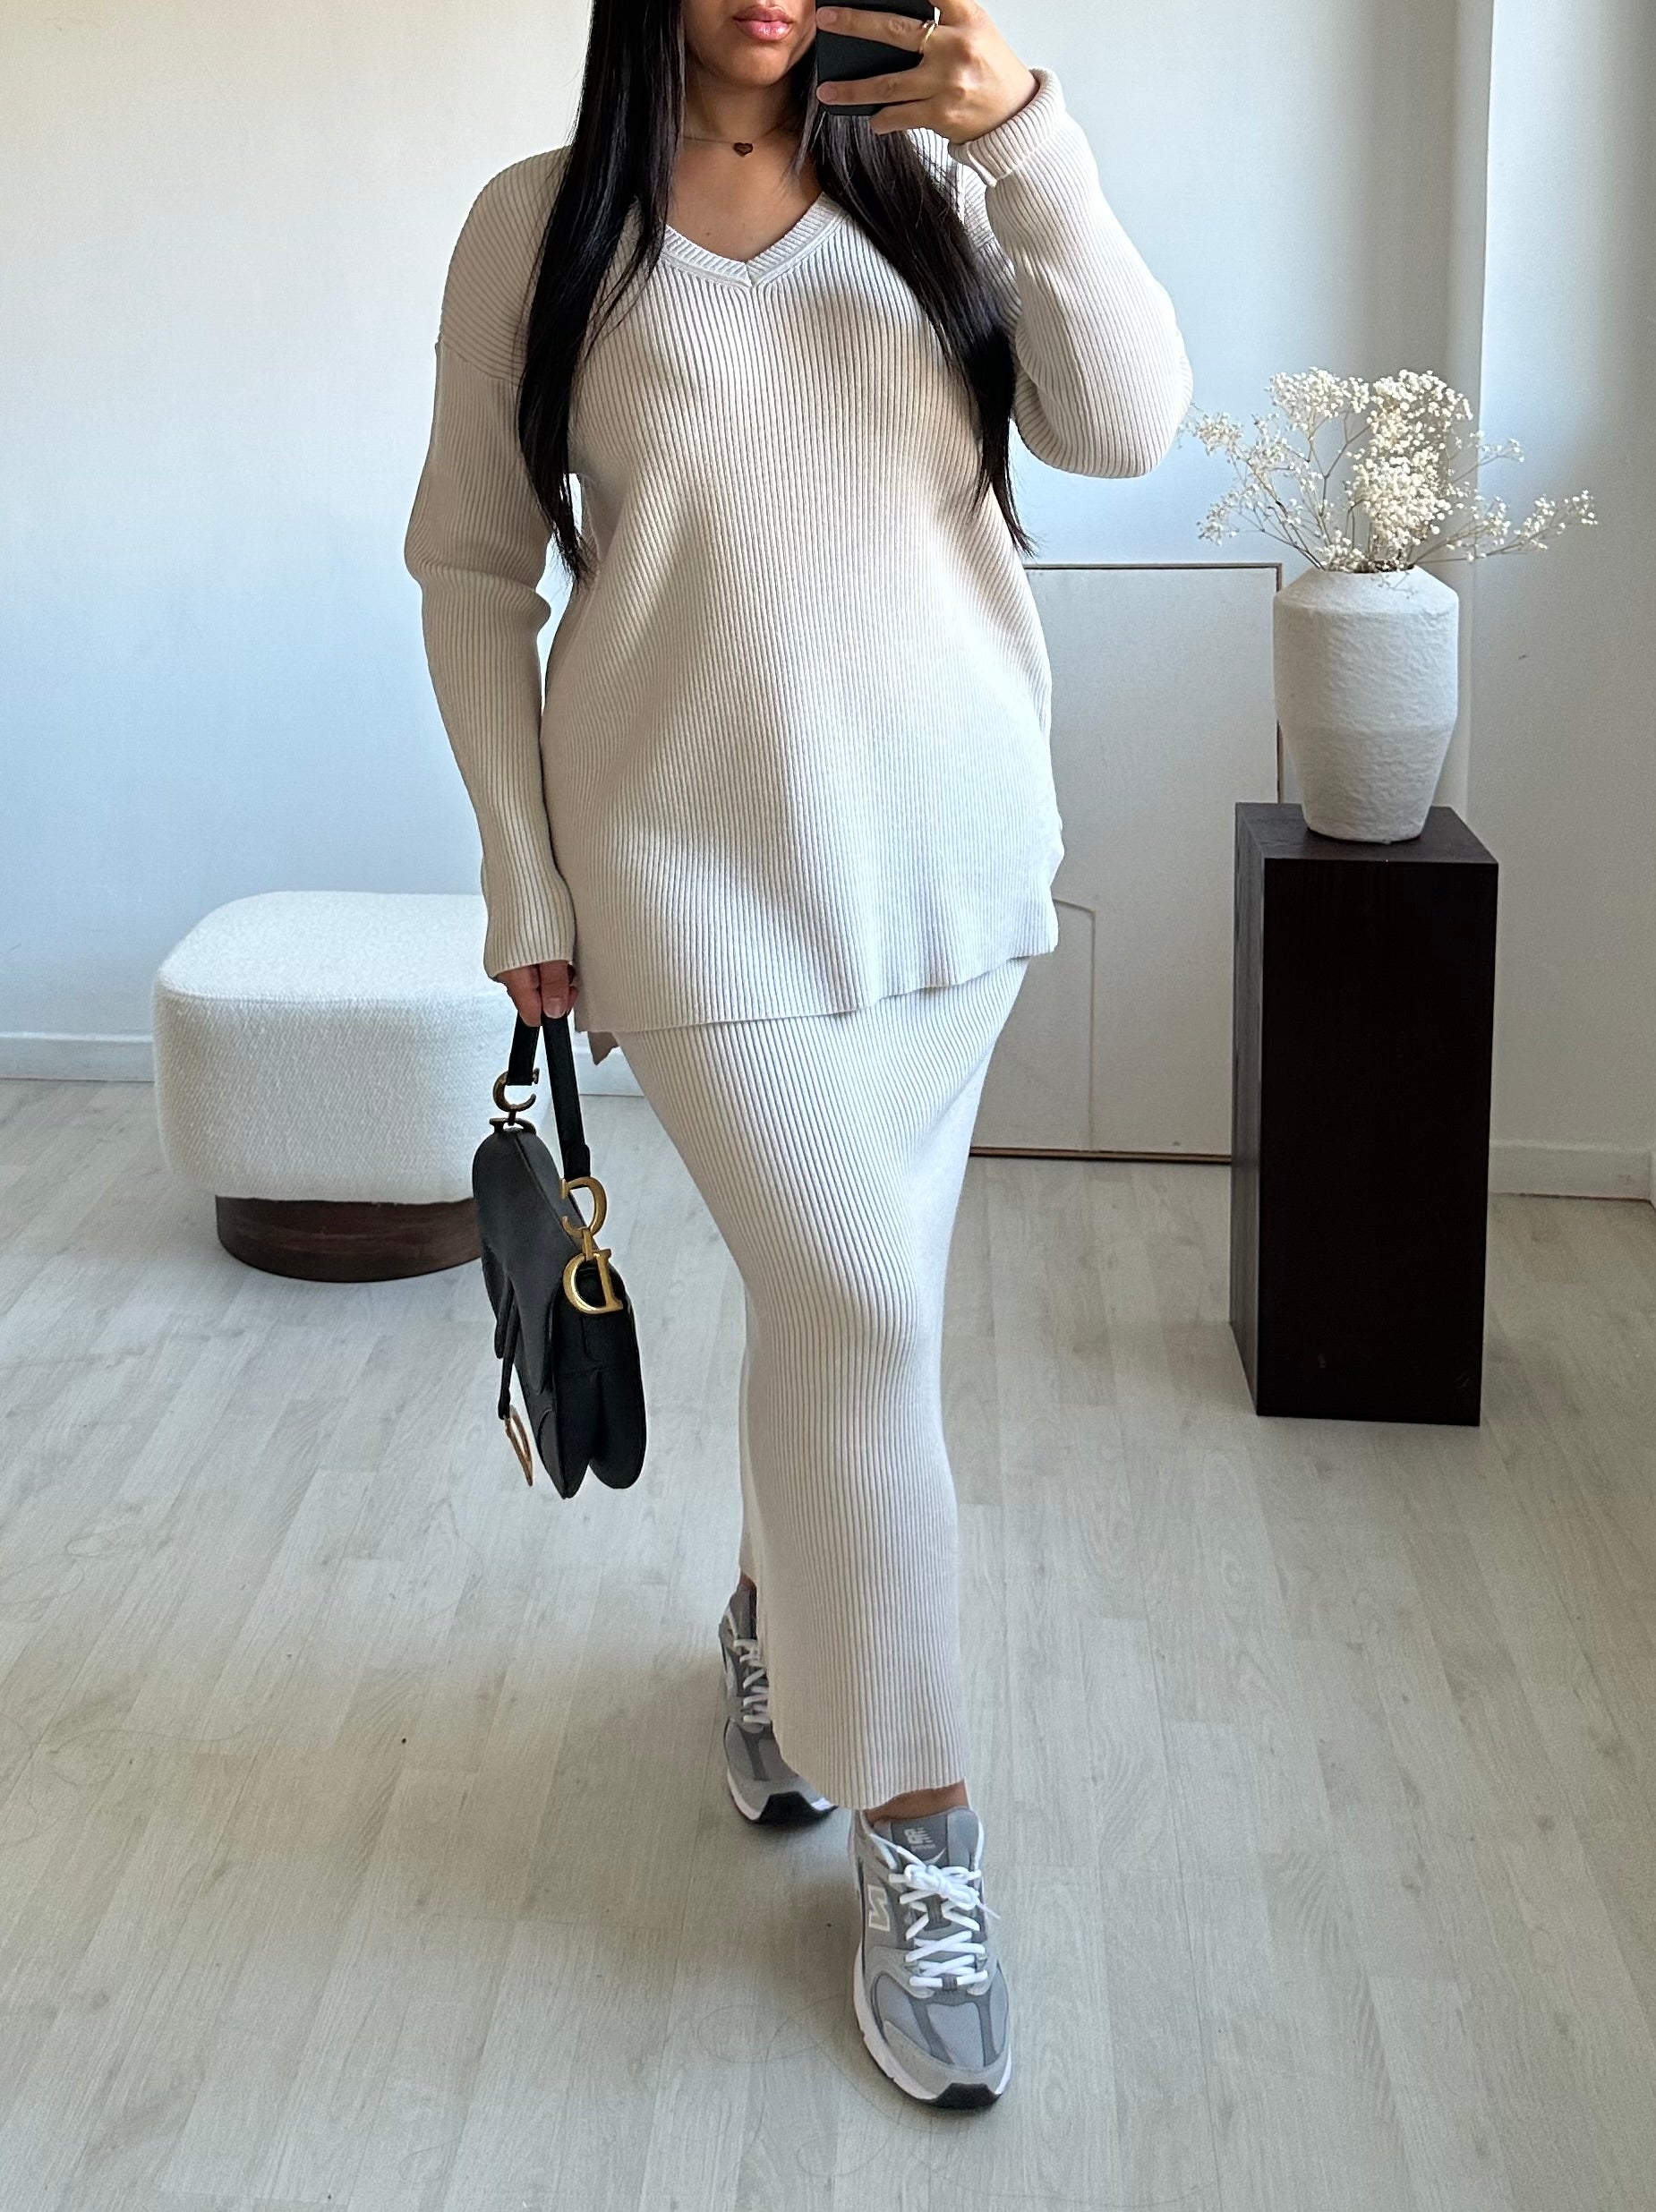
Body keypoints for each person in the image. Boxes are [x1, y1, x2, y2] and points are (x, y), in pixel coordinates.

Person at [405, 0, 1191, 2109]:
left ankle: (774, 1631)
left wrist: (1030, 138)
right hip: (687, 882)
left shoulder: (943, 194)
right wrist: (522, 875)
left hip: (949, 873)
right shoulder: (539, 227)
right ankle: (919, 1823)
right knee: (864, 1310)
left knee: (845, 1324)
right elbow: (471, 569)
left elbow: (1129, 427)